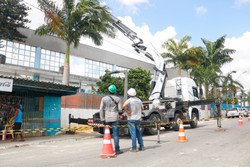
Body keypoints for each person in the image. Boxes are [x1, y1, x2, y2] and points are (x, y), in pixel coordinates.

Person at [99, 84, 123, 154]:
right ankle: (117, 149)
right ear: (115, 91)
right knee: (115, 134)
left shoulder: (104, 99)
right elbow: (120, 109)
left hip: (107, 118)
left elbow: (101, 109)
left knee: (106, 134)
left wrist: (102, 119)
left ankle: (106, 148)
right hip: (115, 118)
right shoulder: (118, 99)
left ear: (108, 91)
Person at [123, 88, 144, 152]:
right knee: (138, 133)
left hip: (131, 119)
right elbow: (142, 108)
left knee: (133, 134)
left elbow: (124, 106)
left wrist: (128, 111)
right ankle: (141, 146)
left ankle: (134, 148)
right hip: (138, 119)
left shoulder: (129, 100)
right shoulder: (139, 100)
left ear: (129, 94)